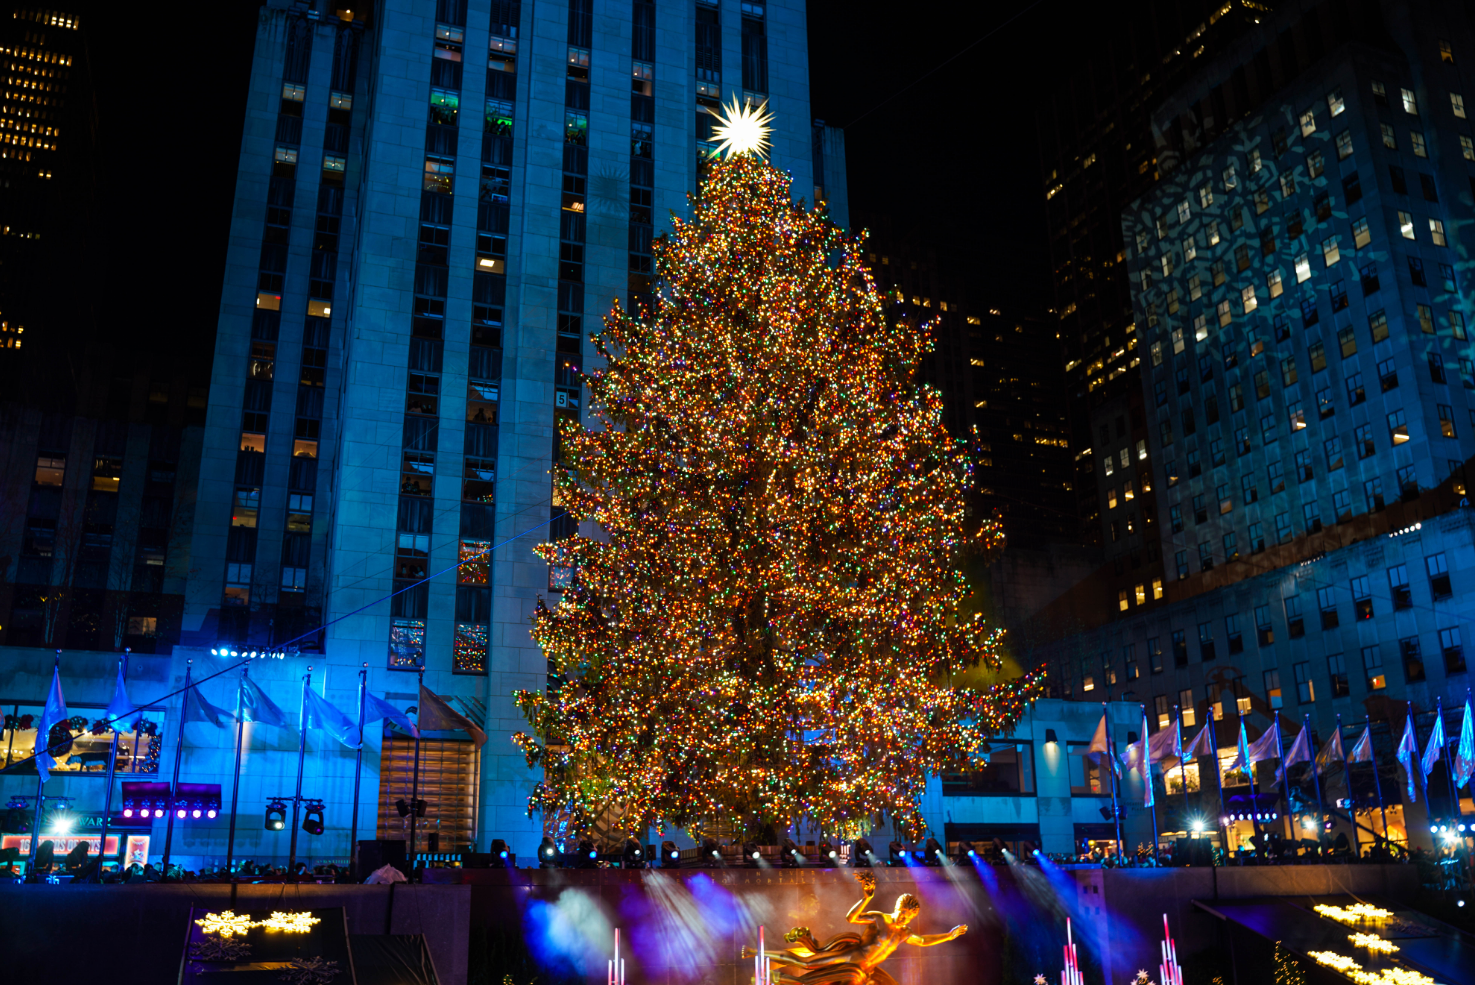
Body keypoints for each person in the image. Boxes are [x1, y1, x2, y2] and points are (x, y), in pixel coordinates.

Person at [741, 870, 966, 985]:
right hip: (850, 956)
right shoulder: (880, 918)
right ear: (898, 908)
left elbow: (923, 940)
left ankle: (774, 978)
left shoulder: (904, 933)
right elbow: (851, 918)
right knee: (806, 963)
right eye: (905, 912)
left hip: (862, 971)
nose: (906, 918)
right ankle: (755, 952)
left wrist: (948, 936)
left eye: (911, 916)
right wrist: (867, 898)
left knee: (810, 981)